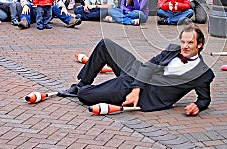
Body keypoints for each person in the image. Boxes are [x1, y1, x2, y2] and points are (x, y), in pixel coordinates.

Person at [58, 25, 215, 115]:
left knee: (84, 95)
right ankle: (82, 82)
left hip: (146, 93)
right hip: (137, 73)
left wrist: (198, 106)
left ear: (199, 45)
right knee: (105, 45)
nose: (185, 46)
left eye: (190, 43)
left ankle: (94, 89)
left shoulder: (203, 73)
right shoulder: (173, 49)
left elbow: (204, 99)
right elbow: (149, 65)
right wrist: (136, 88)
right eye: (183, 42)